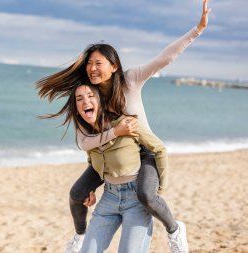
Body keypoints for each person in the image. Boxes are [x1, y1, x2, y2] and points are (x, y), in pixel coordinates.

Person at [36, 1, 210, 252]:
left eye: (98, 63)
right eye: (89, 64)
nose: (92, 68)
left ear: (114, 65)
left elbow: (165, 59)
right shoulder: (90, 95)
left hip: (143, 151)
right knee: (77, 193)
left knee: (147, 196)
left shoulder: (130, 79)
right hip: (110, 151)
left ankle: (174, 229)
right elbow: (87, 139)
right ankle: (79, 236)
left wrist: (198, 29)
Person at [74, 82, 169, 252]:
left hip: (136, 200)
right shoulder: (88, 136)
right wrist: (91, 189)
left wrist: (157, 193)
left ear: (101, 101)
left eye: (90, 96)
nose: (85, 101)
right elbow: (93, 162)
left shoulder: (127, 124)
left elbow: (160, 149)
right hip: (109, 198)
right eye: (79, 98)